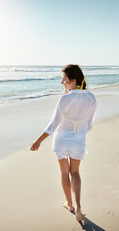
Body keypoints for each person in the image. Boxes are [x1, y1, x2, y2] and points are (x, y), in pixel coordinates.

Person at [30, 64, 97, 222]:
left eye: (65, 80)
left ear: (74, 81)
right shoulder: (91, 98)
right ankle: (79, 206)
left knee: (64, 172)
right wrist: (78, 134)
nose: (62, 83)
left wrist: (38, 141)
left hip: (61, 140)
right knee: (75, 173)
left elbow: (53, 125)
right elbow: (89, 125)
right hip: (78, 140)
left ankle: (69, 204)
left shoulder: (65, 98)